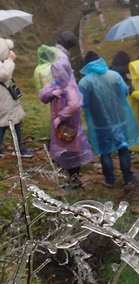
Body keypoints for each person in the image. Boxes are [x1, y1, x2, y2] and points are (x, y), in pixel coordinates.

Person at [77, 51, 139, 188]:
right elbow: (124, 92)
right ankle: (128, 177)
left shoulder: (84, 83)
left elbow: (83, 103)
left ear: (87, 65)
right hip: (119, 118)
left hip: (100, 122)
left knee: (105, 151)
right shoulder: (114, 76)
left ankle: (109, 179)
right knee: (123, 147)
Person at [38, 56, 96, 188]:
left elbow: (74, 105)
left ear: (63, 72)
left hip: (70, 126)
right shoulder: (55, 85)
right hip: (59, 127)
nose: (53, 74)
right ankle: (70, 178)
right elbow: (42, 95)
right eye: (53, 71)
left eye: (56, 71)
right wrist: (53, 92)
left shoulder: (70, 87)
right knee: (62, 151)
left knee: (73, 152)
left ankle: (74, 179)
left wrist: (61, 117)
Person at [0, 38, 35, 158]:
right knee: (11, 121)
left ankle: (18, 147)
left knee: (8, 122)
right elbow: (4, 74)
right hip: (4, 98)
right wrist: (9, 60)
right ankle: (18, 149)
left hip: (5, 97)